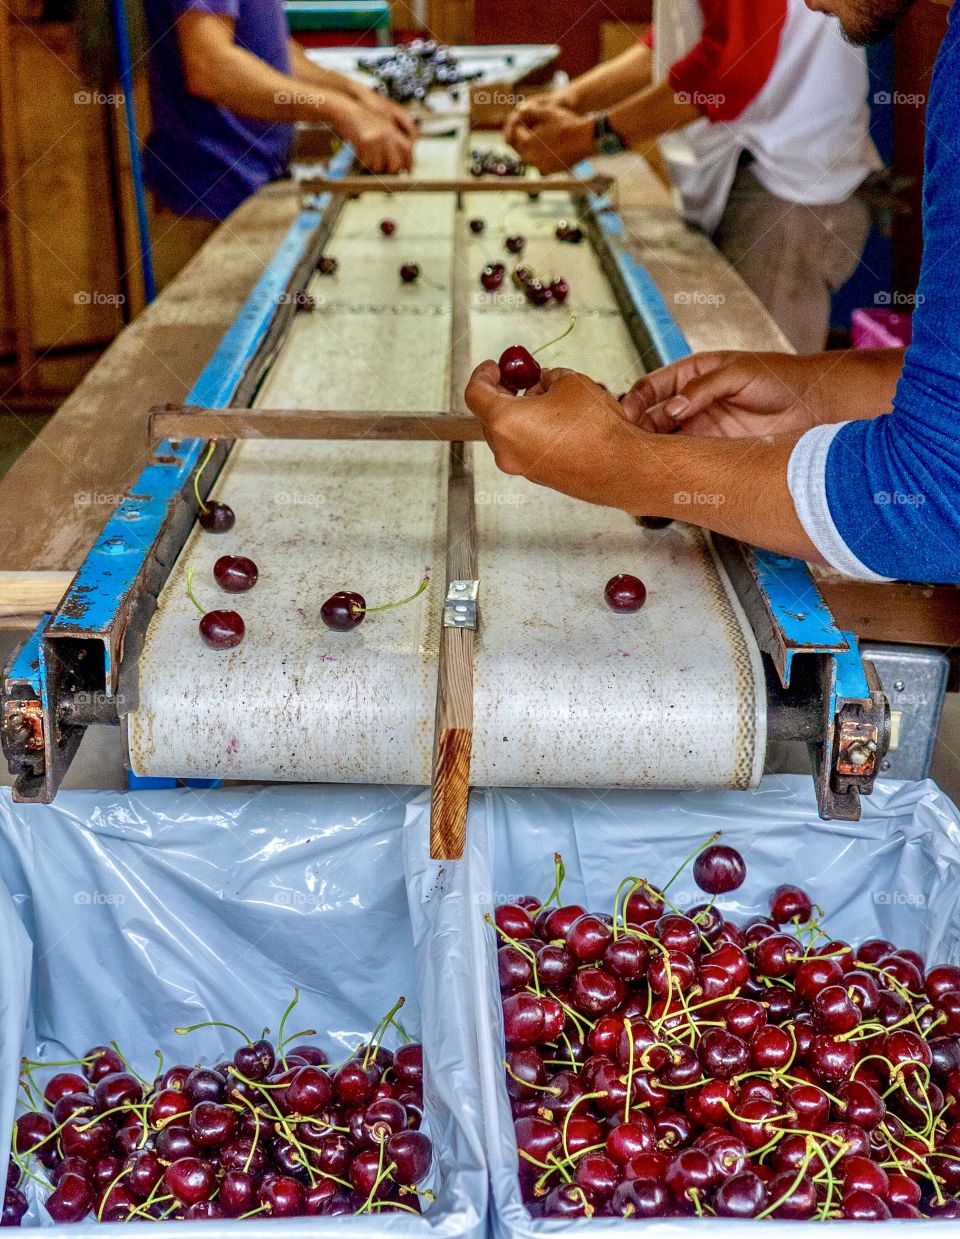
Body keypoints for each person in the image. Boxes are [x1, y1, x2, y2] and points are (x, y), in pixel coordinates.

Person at [466, 0, 958, 586]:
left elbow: (934, 501)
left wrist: (623, 465)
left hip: (789, 181)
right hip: (751, 171)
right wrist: (814, 391)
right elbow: (675, 40)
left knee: (776, 569)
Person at [503, 0, 881, 352]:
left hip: (790, 189)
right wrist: (570, 101)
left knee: (765, 393)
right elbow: (677, 42)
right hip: (751, 171)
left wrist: (592, 136)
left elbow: (733, 70)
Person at [143, 0, 416, 281]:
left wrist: (354, 94)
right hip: (209, 202)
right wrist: (340, 110)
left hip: (255, 188)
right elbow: (210, 67)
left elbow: (273, 53)